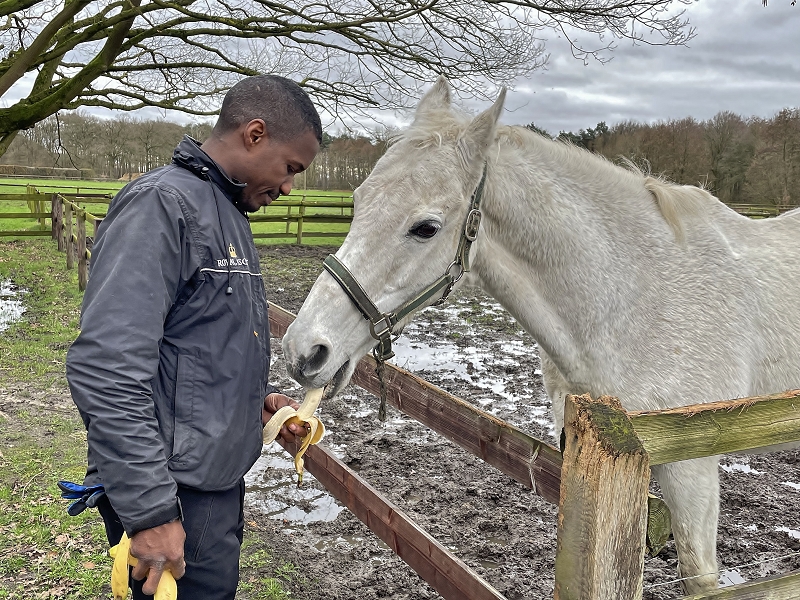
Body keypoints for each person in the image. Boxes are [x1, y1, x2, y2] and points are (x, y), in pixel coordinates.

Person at [66, 74, 322, 599]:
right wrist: (151, 512)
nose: (289, 187)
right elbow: (107, 367)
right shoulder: (162, 205)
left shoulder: (225, 212)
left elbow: (195, 344)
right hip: (172, 493)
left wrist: (257, 404)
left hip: (208, 485)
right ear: (255, 134)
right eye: (291, 168)